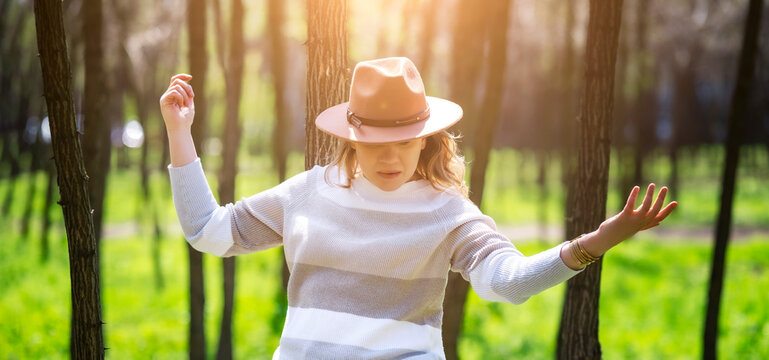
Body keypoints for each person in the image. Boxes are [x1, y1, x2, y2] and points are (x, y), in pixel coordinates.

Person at [159, 57, 677, 359]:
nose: (390, 156)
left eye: (405, 141)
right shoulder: (308, 192)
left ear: (427, 140)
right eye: (377, 142)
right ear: (351, 137)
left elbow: (508, 283)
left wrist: (594, 243)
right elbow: (209, 231)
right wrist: (179, 133)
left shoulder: (448, 213)